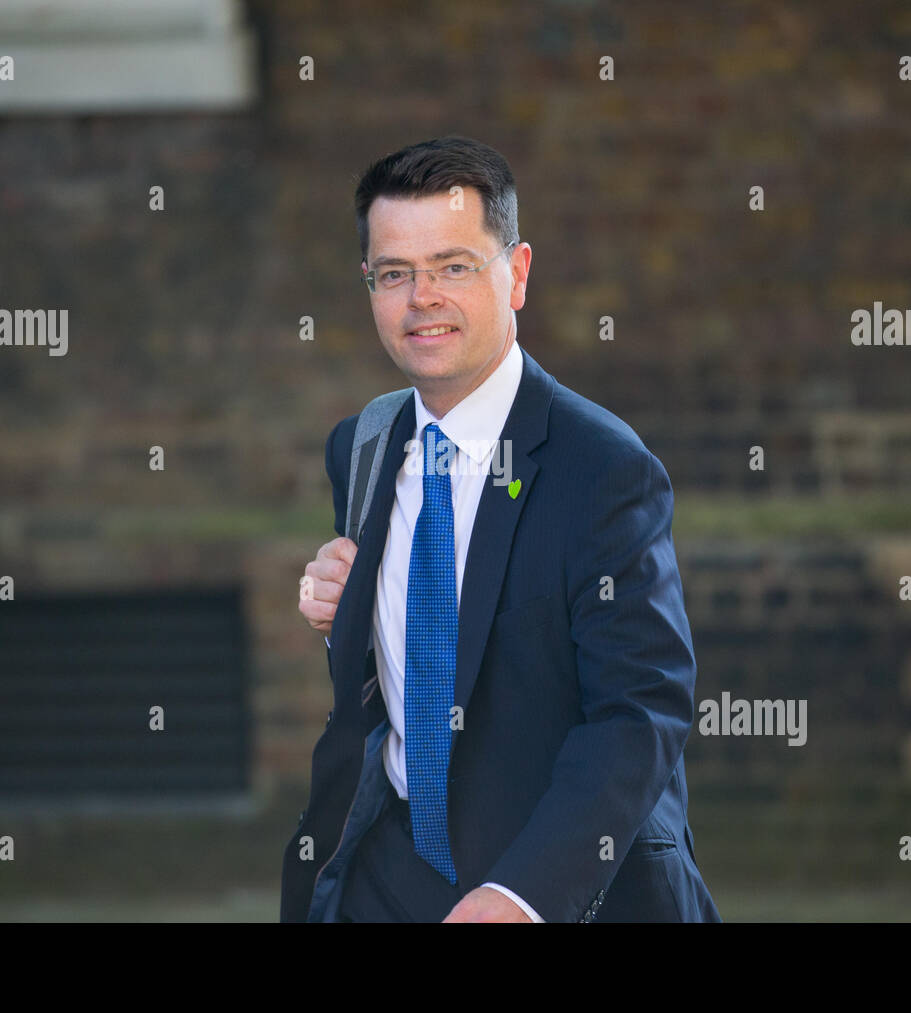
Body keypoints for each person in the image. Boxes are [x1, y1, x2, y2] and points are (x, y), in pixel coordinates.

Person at [282, 136, 720, 923]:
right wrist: (342, 620)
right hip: (386, 882)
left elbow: (639, 710)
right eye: (395, 273)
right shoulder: (364, 445)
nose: (422, 297)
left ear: (516, 274)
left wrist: (521, 895)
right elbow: (410, 676)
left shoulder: (602, 467)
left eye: (453, 266)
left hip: (561, 893)